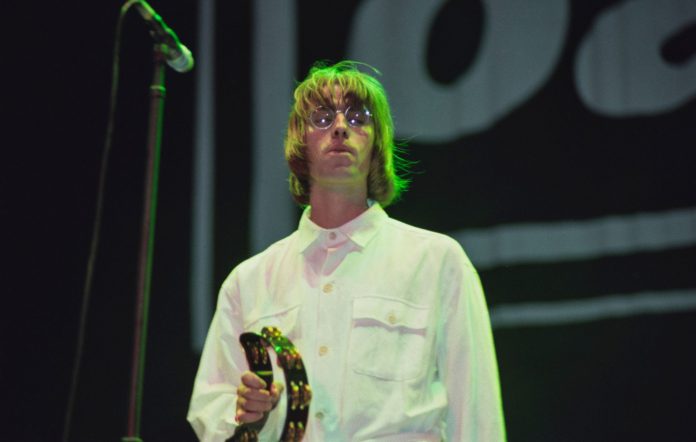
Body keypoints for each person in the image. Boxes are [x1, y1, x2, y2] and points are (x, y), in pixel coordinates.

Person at [187, 60, 506, 441]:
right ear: (299, 143)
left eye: (358, 117)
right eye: (322, 118)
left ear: (377, 144)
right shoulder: (249, 281)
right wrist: (247, 415)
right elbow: (212, 408)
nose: (340, 127)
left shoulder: (437, 261)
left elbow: (476, 415)